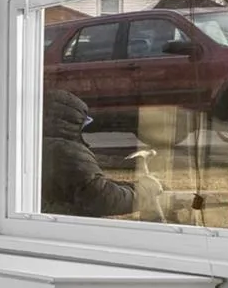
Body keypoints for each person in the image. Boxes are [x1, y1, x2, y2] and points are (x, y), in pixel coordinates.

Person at [42, 89, 158, 217]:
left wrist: (133, 185)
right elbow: (102, 198)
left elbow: (89, 183)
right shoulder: (67, 153)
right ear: (71, 124)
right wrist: (146, 192)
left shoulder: (38, 147)